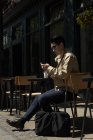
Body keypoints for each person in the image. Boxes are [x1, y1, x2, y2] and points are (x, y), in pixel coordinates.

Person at [6, 36, 79, 130]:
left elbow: (63, 74)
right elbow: (59, 76)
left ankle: (54, 121)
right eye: (52, 47)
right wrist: (48, 71)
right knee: (38, 98)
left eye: (54, 47)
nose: (53, 50)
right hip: (60, 89)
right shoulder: (60, 58)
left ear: (61, 45)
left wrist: (49, 68)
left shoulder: (69, 57)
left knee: (42, 98)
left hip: (69, 91)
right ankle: (22, 122)